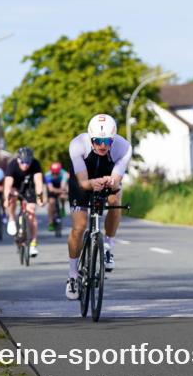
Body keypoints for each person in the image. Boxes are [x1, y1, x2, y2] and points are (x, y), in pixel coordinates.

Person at [64, 113, 132, 300]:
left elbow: (116, 180)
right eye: (98, 141)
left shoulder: (124, 147)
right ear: (91, 138)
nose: (102, 145)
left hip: (107, 175)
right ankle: (72, 275)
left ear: (113, 139)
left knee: (115, 199)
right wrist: (93, 183)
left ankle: (108, 246)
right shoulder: (77, 145)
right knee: (79, 227)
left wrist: (110, 182)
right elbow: (84, 183)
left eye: (107, 141)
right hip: (84, 179)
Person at [3, 147, 44, 256]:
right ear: (18, 160)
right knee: (11, 199)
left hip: (29, 188)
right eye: (22, 162)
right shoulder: (12, 165)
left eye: (28, 162)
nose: (25, 165)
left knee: (32, 212)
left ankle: (33, 244)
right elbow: (7, 185)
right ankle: (11, 219)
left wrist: (40, 198)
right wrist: (6, 199)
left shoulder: (35, 164)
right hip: (15, 188)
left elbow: (39, 183)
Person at [44, 162, 69, 231]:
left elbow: (63, 186)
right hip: (52, 187)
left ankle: (63, 208)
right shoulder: (47, 175)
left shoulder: (64, 174)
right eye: (53, 173)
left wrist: (63, 192)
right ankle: (51, 223)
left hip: (60, 185)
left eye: (56, 173)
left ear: (59, 171)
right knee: (51, 202)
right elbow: (50, 188)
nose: (55, 175)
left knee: (63, 196)